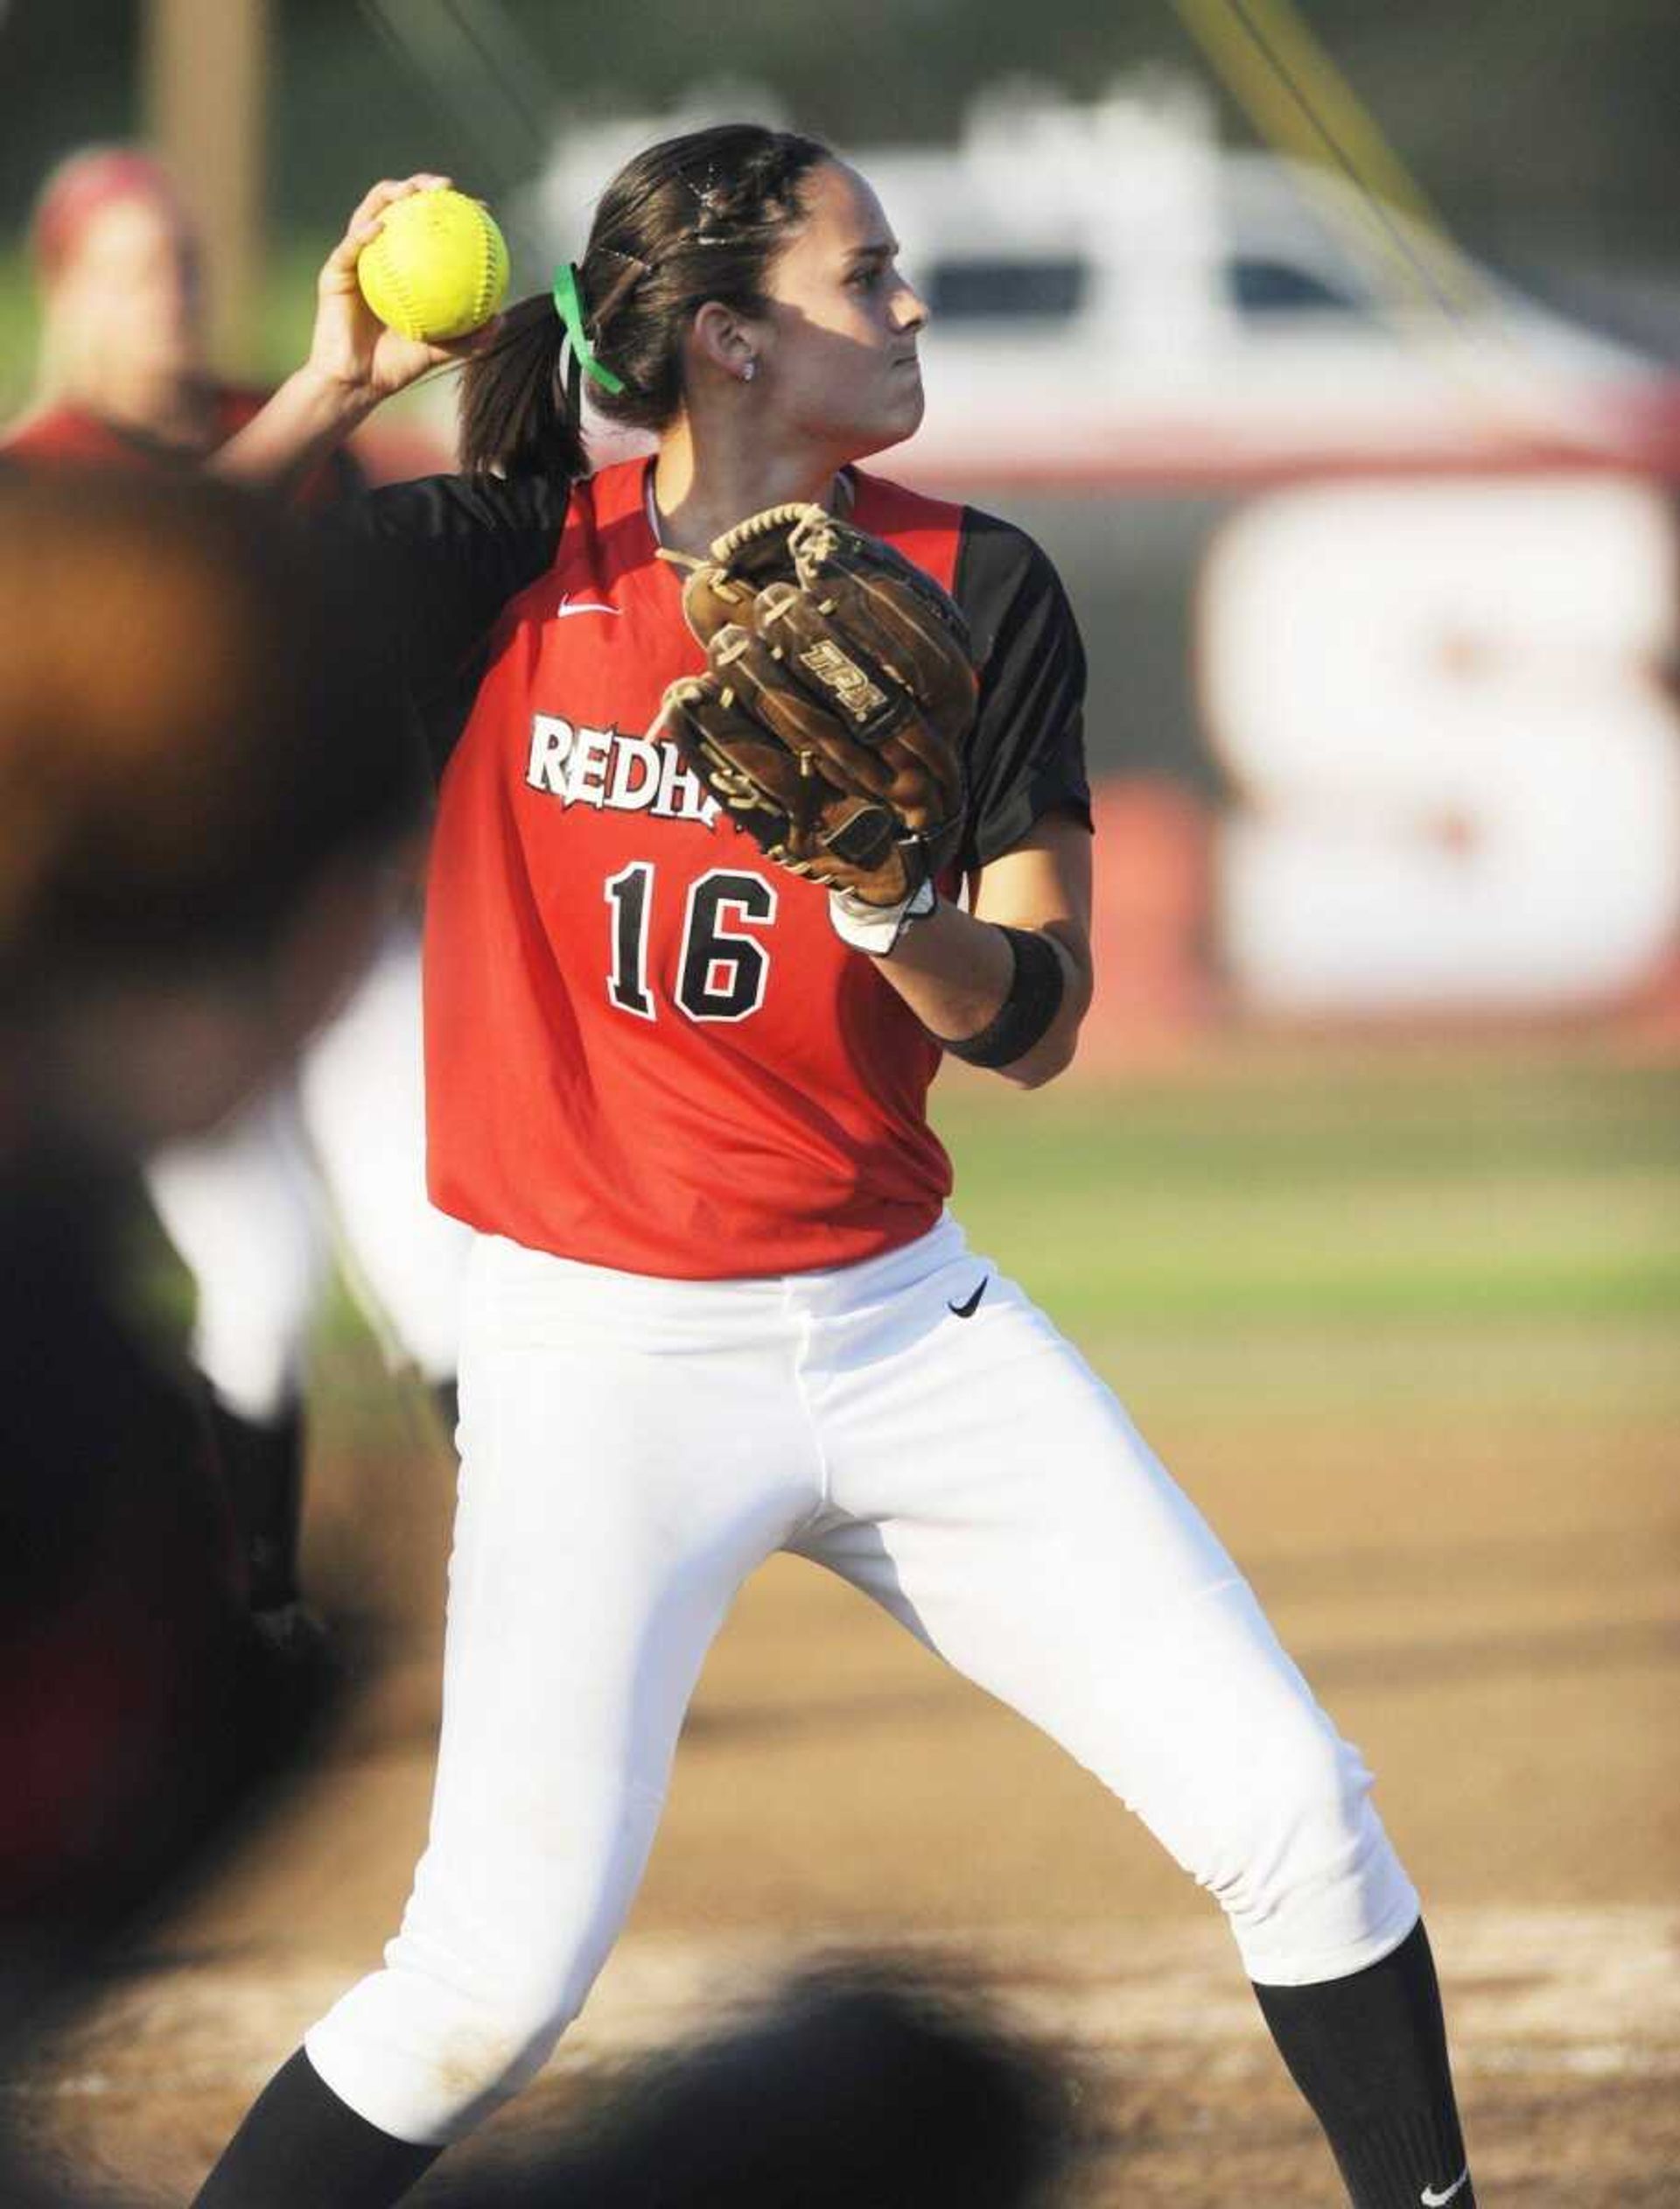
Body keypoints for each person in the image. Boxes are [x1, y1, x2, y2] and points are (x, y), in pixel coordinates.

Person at [192, 128, 1479, 2209]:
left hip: (903, 1327)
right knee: (488, 1980)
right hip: (596, 1351)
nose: (909, 306)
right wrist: (328, 394)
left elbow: (1038, 1016)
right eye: (865, 275)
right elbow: (99, 623)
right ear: (726, 339)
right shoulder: (526, 548)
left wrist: (894, 903)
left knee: (1296, 1808)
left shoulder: (976, 581)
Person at [4, 146, 470, 1623]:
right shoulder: (36, 477)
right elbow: (178, 582)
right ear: (62, 294)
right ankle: (255, 1609)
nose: (172, 297)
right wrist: (323, 398)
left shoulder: (291, 429)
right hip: (162, 964)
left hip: (334, 926)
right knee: (258, 1282)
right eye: (134, 269)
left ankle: (541, 1578)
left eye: (187, 266)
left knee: (437, 1270)